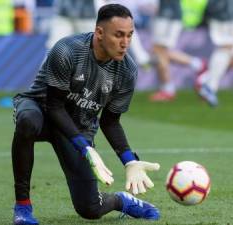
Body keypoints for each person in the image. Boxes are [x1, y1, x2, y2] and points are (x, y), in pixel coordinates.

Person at [11, 4, 161, 225]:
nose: (125, 43)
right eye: (118, 35)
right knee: (27, 122)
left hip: (79, 125)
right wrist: (85, 146)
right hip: (41, 110)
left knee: (90, 209)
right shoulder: (67, 51)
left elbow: (110, 122)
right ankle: (23, 208)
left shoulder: (127, 71)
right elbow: (54, 106)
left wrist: (129, 160)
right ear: (99, 33)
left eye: (130, 35)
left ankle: (121, 201)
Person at [149, 0, 206, 102]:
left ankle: (167, 90)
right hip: (169, 13)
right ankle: (198, 65)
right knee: (160, 51)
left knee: (159, 51)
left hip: (168, 14)